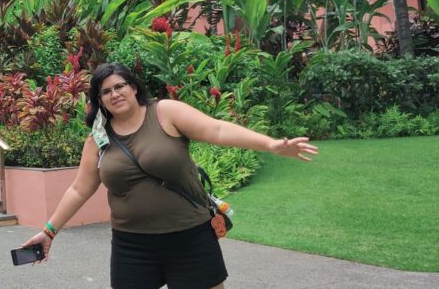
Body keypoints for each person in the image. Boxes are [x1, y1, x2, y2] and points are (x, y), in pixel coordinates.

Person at [22, 63, 318, 289]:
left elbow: (217, 129)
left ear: (133, 87)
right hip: (132, 246)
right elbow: (79, 189)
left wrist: (271, 145)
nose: (115, 94)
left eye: (120, 86)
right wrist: (49, 232)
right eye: (106, 91)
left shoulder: (165, 113)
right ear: (100, 100)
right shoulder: (97, 140)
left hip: (190, 238)